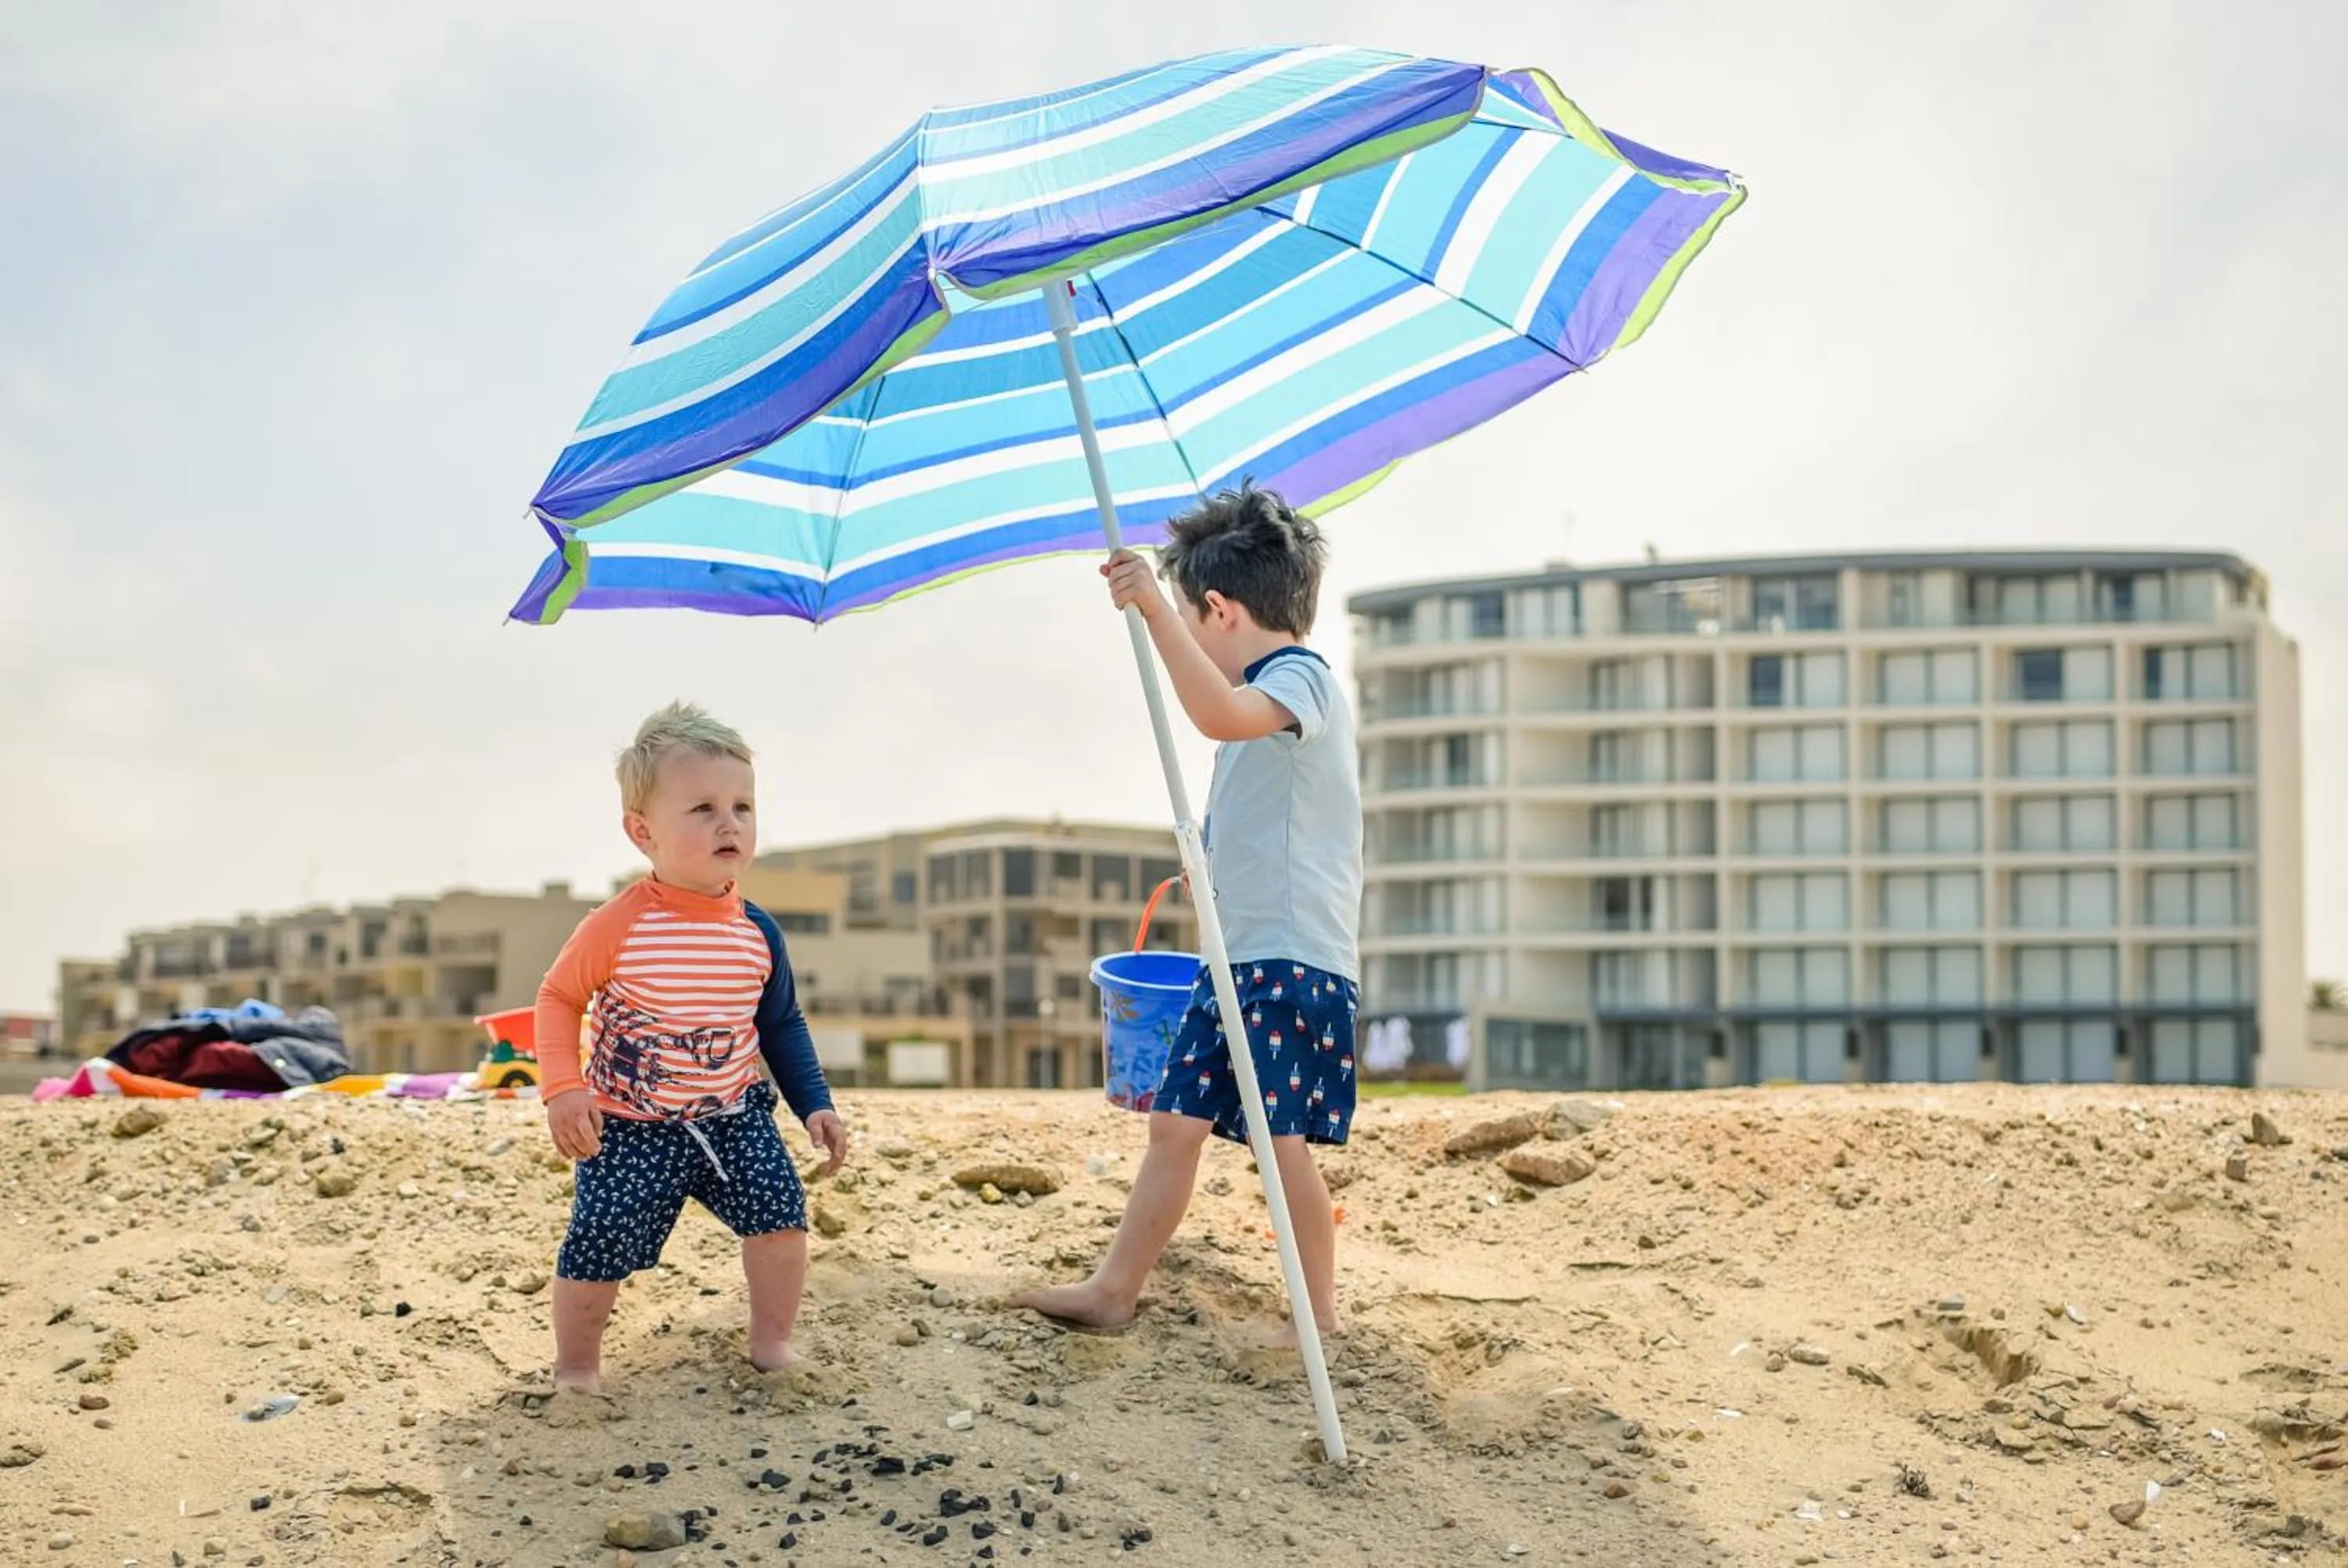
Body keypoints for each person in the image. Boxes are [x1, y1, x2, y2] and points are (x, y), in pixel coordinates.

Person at [1010, 484, 1362, 1343]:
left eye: (1192, 621)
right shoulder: (1268, 700)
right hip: (1236, 958)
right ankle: (1114, 1289)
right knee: (1175, 1125)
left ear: (1219, 609)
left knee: (1279, 1141)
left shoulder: (1300, 680)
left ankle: (1316, 1317)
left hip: (1287, 959)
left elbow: (1214, 714)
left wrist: (1152, 613)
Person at [535, 703, 850, 1394]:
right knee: (599, 1242)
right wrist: (563, 1089)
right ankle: (577, 1366)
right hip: (629, 1125)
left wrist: (814, 1104)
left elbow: (781, 1023)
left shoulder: (757, 932)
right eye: (703, 808)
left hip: (733, 1116)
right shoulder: (618, 925)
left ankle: (771, 1343)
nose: (729, 823)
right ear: (643, 832)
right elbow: (558, 998)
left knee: (780, 1217)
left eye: (742, 806)